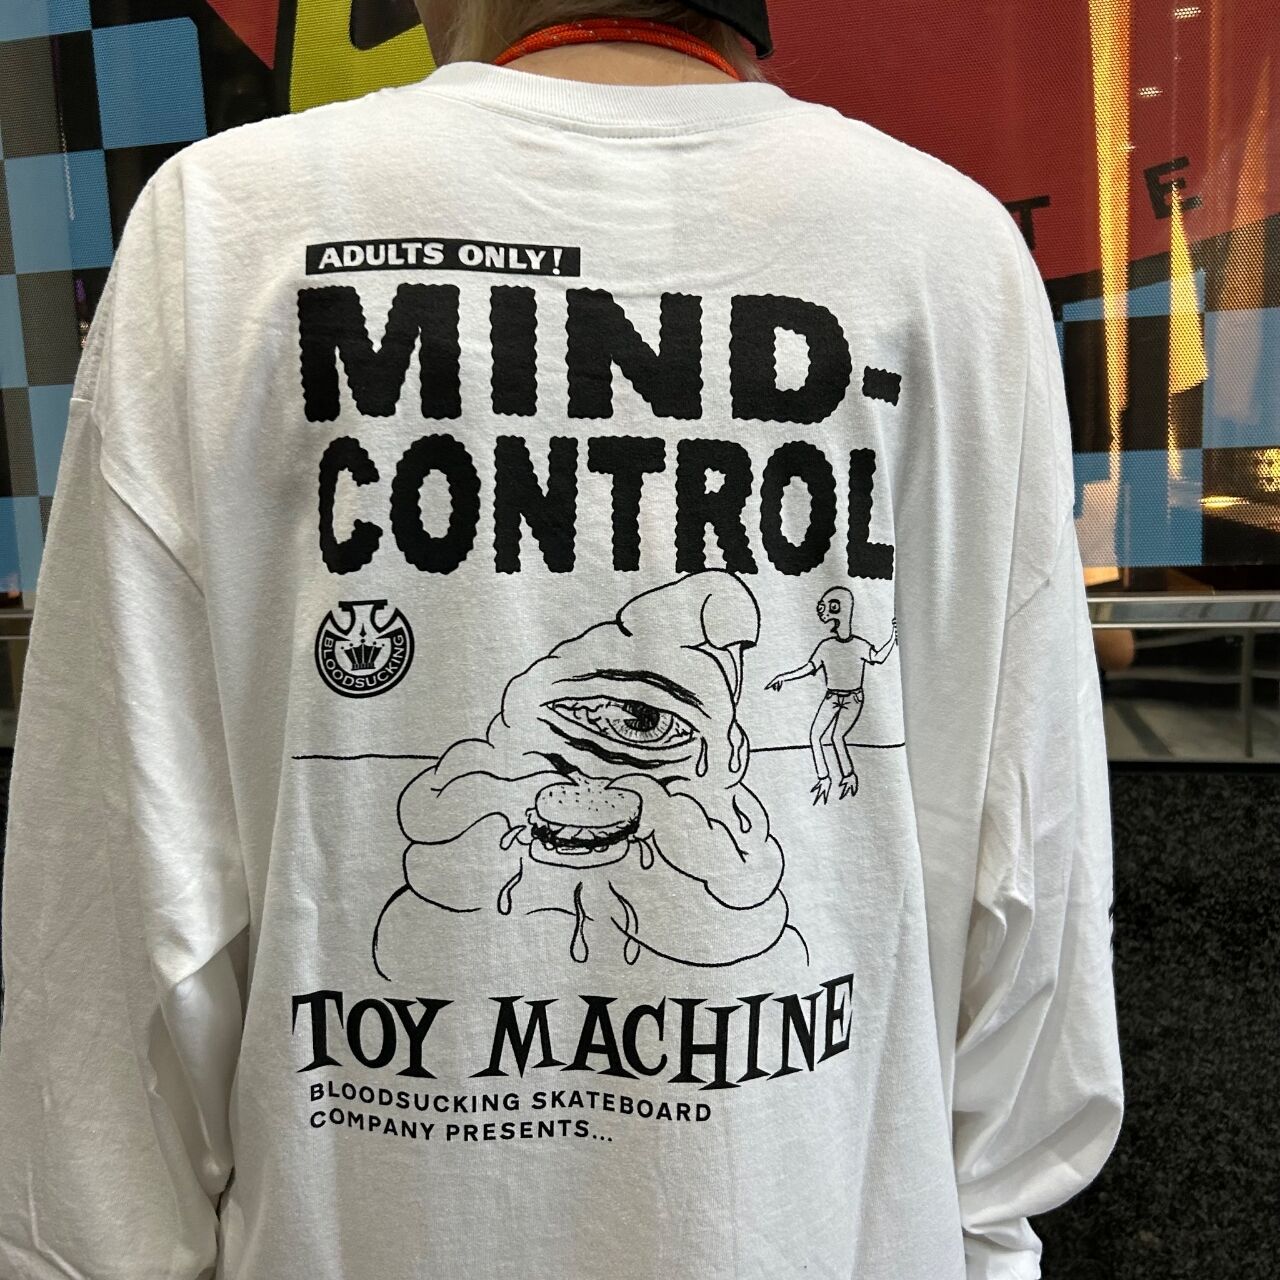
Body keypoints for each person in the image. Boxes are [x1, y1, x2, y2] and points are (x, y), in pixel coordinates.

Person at [0, 3, 1124, 1279]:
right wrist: (980, 1231)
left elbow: (111, 893)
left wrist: (94, 1246)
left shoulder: (232, 229)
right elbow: (1029, 862)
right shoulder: (945, 253)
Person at [766, 587, 898, 802]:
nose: (825, 613)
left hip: (853, 699)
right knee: (817, 736)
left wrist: (893, 637)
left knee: (836, 736)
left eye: (832, 607)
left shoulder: (858, 645)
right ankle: (824, 778)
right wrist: (784, 677)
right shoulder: (826, 646)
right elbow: (809, 668)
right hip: (832, 697)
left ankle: (848, 776)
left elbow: (878, 657)